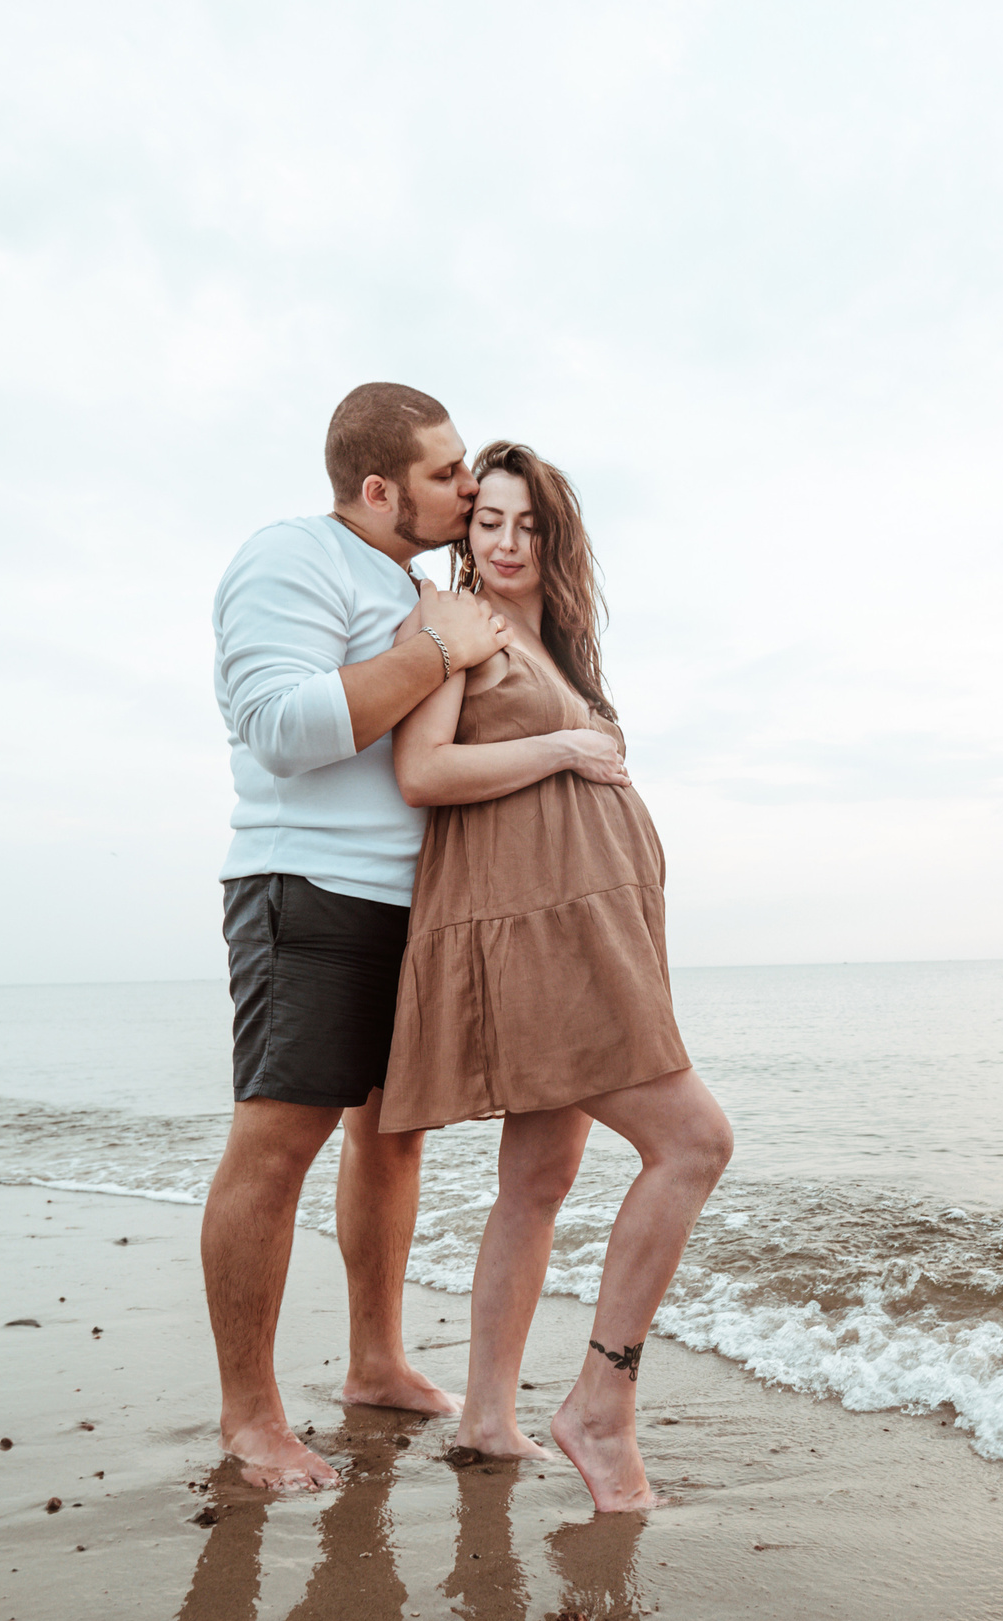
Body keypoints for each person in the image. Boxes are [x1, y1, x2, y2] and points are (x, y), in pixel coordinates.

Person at [379, 440, 734, 1513]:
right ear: (464, 530)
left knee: (535, 1184)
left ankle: (489, 1418)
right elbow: (422, 772)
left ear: (555, 536)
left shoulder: (555, 646)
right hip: (530, 940)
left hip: (588, 935)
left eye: (528, 524)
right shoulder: (452, 627)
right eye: (487, 519)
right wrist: (563, 751)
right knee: (694, 1142)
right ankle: (600, 1407)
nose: (505, 541)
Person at [205, 382, 513, 1489]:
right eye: (445, 471)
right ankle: (250, 1417)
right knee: (276, 1148)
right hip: (307, 892)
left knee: (392, 1139)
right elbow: (279, 730)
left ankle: (375, 1363)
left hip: (413, 906)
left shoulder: (416, 589)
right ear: (377, 489)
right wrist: (433, 651)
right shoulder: (291, 556)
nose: (469, 487)